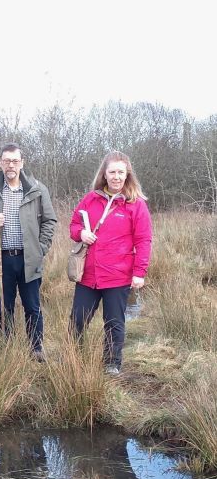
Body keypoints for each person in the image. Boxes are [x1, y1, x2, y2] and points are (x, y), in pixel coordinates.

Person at [69, 151, 152, 376]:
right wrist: (82, 233)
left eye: (121, 172)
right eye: (112, 172)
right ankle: (73, 358)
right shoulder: (90, 199)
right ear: (104, 174)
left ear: (127, 175)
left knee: (114, 322)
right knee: (77, 319)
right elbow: (74, 225)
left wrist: (139, 272)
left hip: (118, 276)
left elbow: (144, 240)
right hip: (88, 275)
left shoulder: (136, 205)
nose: (116, 176)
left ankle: (112, 363)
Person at [0, 143, 56, 362]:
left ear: (22, 163)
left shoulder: (37, 189)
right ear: (0, 162)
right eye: (6, 160)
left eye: (15, 161)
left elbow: (49, 221)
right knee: (4, 307)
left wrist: (41, 249)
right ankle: (7, 349)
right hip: (2, 260)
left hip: (29, 259)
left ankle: (36, 349)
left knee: (33, 306)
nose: (11, 165)